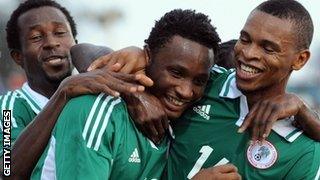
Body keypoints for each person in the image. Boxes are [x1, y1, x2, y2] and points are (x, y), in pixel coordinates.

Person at [87, 0, 320, 179]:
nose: (248, 54)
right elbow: (81, 53)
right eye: (245, 39)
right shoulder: (203, 82)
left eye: (268, 48)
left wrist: (303, 111)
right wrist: (134, 90)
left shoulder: (303, 151)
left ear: (300, 60)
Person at [30, 9, 242, 180]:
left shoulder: (174, 120)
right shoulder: (96, 111)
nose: (186, 91)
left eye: (199, 81)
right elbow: (7, 168)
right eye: (176, 73)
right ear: (147, 56)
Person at [0, 0, 150, 178]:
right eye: (36, 37)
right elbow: (7, 170)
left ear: (75, 42)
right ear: (18, 57)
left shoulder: (101, 94)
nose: (51, 43)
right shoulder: (8, 108)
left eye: (60, 33)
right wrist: (62, 94)